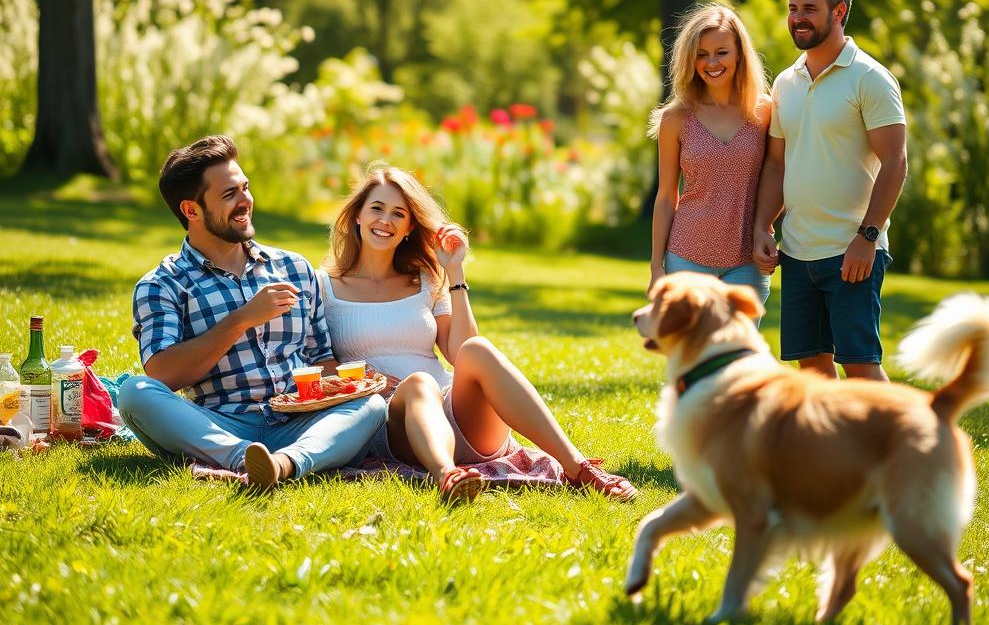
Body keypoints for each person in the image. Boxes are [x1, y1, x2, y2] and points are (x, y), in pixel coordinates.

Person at [319, 164, 639, 503]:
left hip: (459, 419)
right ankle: (448, 475)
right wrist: (373, 379)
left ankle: (579, 469)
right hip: (392, 422)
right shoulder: (324, 287)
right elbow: (316, 361)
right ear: (357, 215)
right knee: (418, 384)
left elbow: (461, 351)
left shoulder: (426, 281)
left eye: (399, 214)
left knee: (479, 350)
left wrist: (453, 269)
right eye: (377, 209)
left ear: (410, 227)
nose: (386, 221)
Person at [121, 135, 386, 488]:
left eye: (244, 188)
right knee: (134, 392)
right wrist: (243, 318)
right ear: (191, 210)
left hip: (300, 418)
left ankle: (282, 464)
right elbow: (163, 374)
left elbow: (320, 358)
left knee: (371, 407)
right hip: (219, 423)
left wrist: (356, 382)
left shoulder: (294, 268)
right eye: (229, 194)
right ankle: (246, 458)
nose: (245, 200)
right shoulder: (164, 284)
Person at [752, 0, 908, 380]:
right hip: (797, 252)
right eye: (792, 8)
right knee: (813, 374)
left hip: (852, 251)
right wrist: (764, 226)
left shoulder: (870, 78)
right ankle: (832, 449)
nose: (797, 18)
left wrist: (868, 238)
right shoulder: (785, 82)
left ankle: (897, 445)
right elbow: (777, 163)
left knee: (860, 366)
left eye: (809, 8)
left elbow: (896, 162)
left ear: (838, 12)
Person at [648, 3, 772, 318]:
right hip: (686, 257)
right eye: (701, 54)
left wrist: (766, 229)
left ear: (740, 53)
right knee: (691, 358)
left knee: (739, 359)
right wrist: (655, 266)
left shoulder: (766, 112)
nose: (711, 63)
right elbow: (666, 196)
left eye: (721, 52)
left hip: (746, 261)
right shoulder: (676, 118)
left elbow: (777, 174)